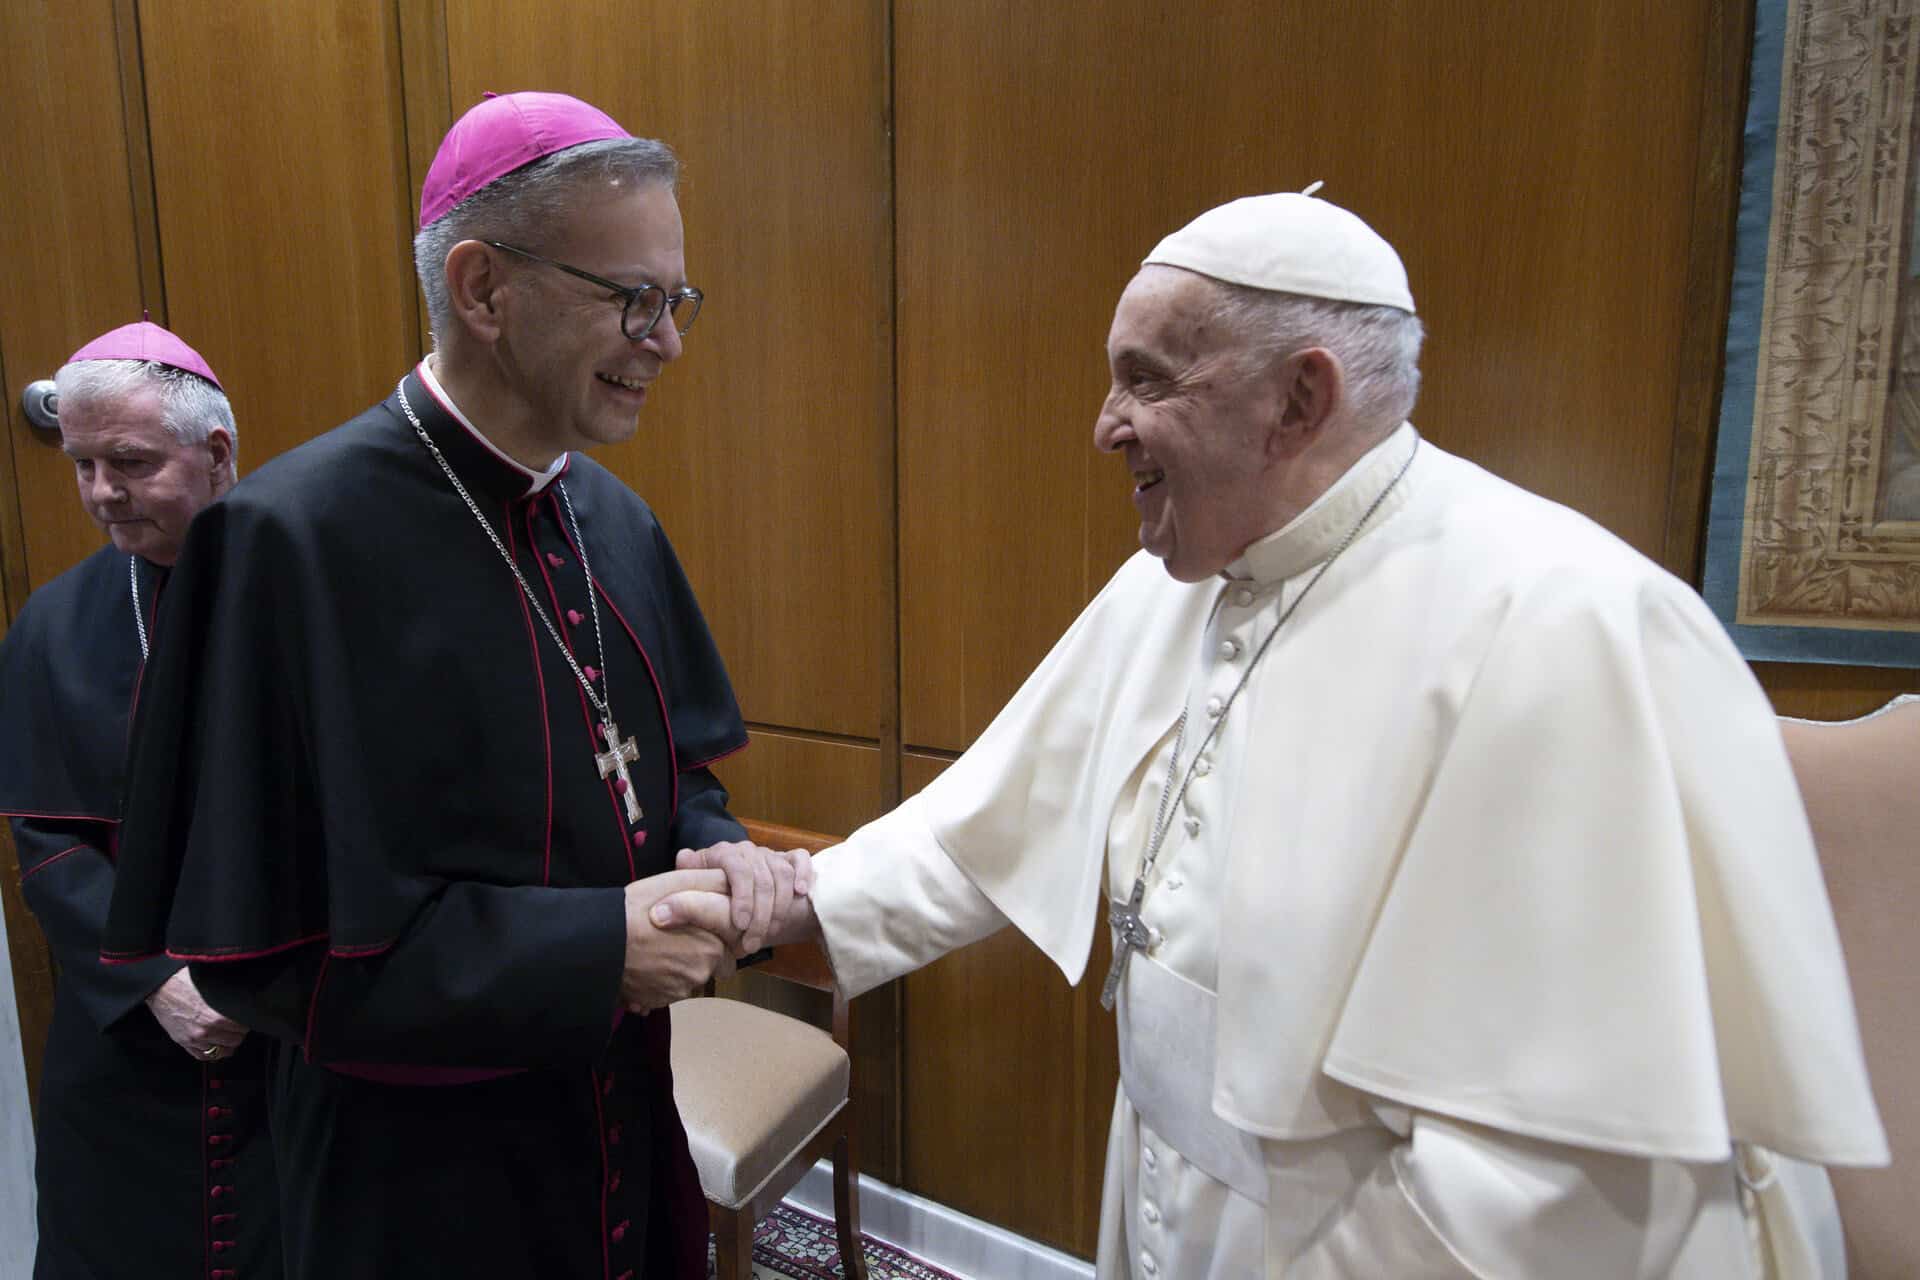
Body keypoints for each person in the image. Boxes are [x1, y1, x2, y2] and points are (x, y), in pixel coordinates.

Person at [727, 190, 1890, 1276]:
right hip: (1173, 1180)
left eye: (1145, 380)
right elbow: (994, 816)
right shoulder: (1187, 569)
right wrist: (804, 900)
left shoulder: (1568, 622)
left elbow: (1555, 1161)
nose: (1104, 427)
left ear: (1302, 397)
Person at [102, 93, 805, 1279]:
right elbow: (261, 952)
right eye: (634, 299)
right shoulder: (286, 544)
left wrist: (711, 845)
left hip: (623, 1118)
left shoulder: (614, 518)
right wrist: (588, 950)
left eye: (675, 300)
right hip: (418, 1182)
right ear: (483, 289)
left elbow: (663, 775)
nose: (667, 340)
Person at [0, 321, 280, 1278]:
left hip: (294, 1023)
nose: (102, 494)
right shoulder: (55, 622)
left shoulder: (315, 587)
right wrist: (155, 981)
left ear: (217, 452)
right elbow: (46, 841)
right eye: (82, 465)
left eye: (128, 461)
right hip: (126, 1030)